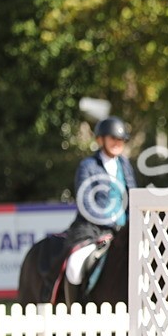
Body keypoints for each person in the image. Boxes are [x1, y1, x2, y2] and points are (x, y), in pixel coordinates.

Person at [63, 116, 137, 302]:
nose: (117, 143)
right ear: (100, 140)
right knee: (75, 265)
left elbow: (133, 196)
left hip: (123, 232)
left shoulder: (125, 165)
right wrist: (110, 223)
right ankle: (74, 307)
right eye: (113, 138)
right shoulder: (88, 166)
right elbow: (85, 203)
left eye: (120, 139)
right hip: (93, 230)